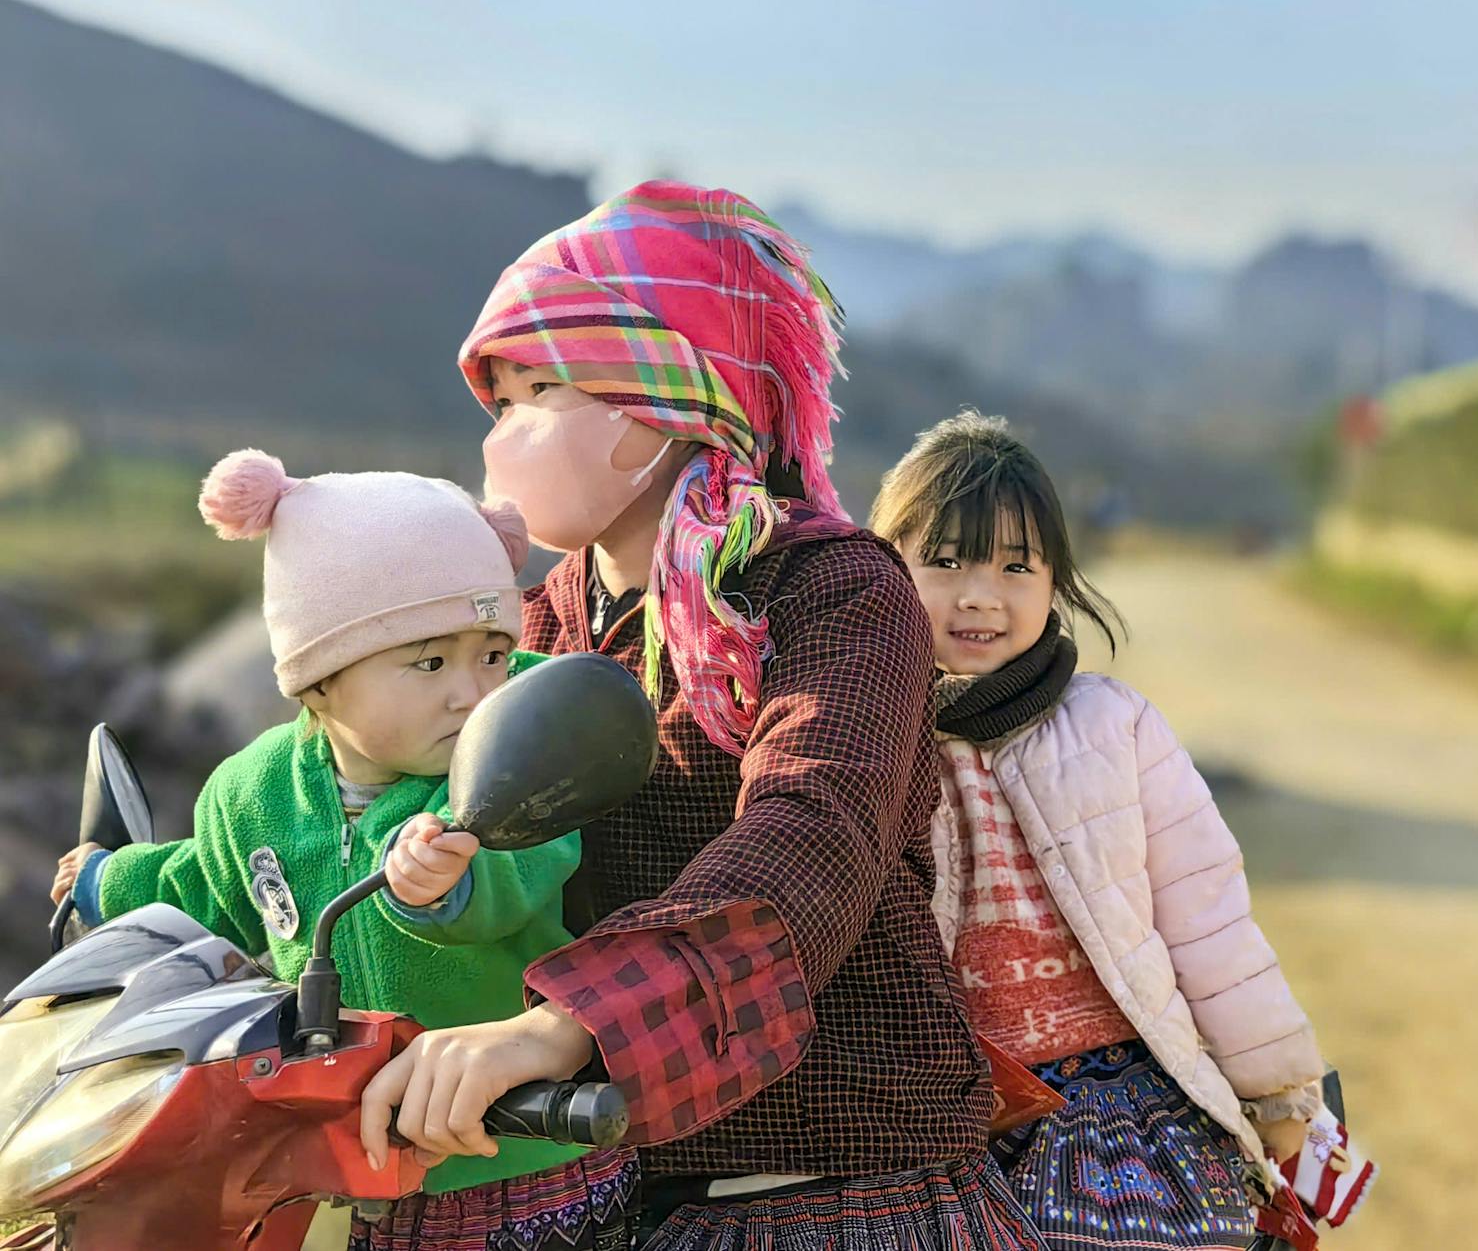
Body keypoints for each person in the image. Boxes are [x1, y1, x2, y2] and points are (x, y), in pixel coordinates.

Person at [357, 181, 1044, 1251]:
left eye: (538, 389)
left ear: (661, 403)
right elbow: (391, 774)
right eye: (498, 404)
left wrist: (563, 1024)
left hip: (835, 1183)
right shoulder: (540, 617)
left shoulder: (831, 592)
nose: (506, 436)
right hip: (605, 1176)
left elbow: (813, 830)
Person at [50, 450, 635, 1251]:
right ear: (319, 678)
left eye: (492, 655)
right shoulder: (250, 789)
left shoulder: (506, 765)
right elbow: (209, 885)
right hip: (339, 1161)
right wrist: (105, 882)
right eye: (428, 662)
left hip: (516, 1156)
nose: (472, 691)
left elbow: (521, 871)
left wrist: (442, 885)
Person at [870, 411, 1374, 1249]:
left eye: (1015, 566)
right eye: (944, 561)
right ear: (884, 569)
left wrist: (1283, 1098)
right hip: (942, 1126)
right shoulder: (862, 735)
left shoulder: (1114, 726)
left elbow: (1210, 926)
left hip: (1123, 1117)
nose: (979, 595)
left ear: (1058, 579)